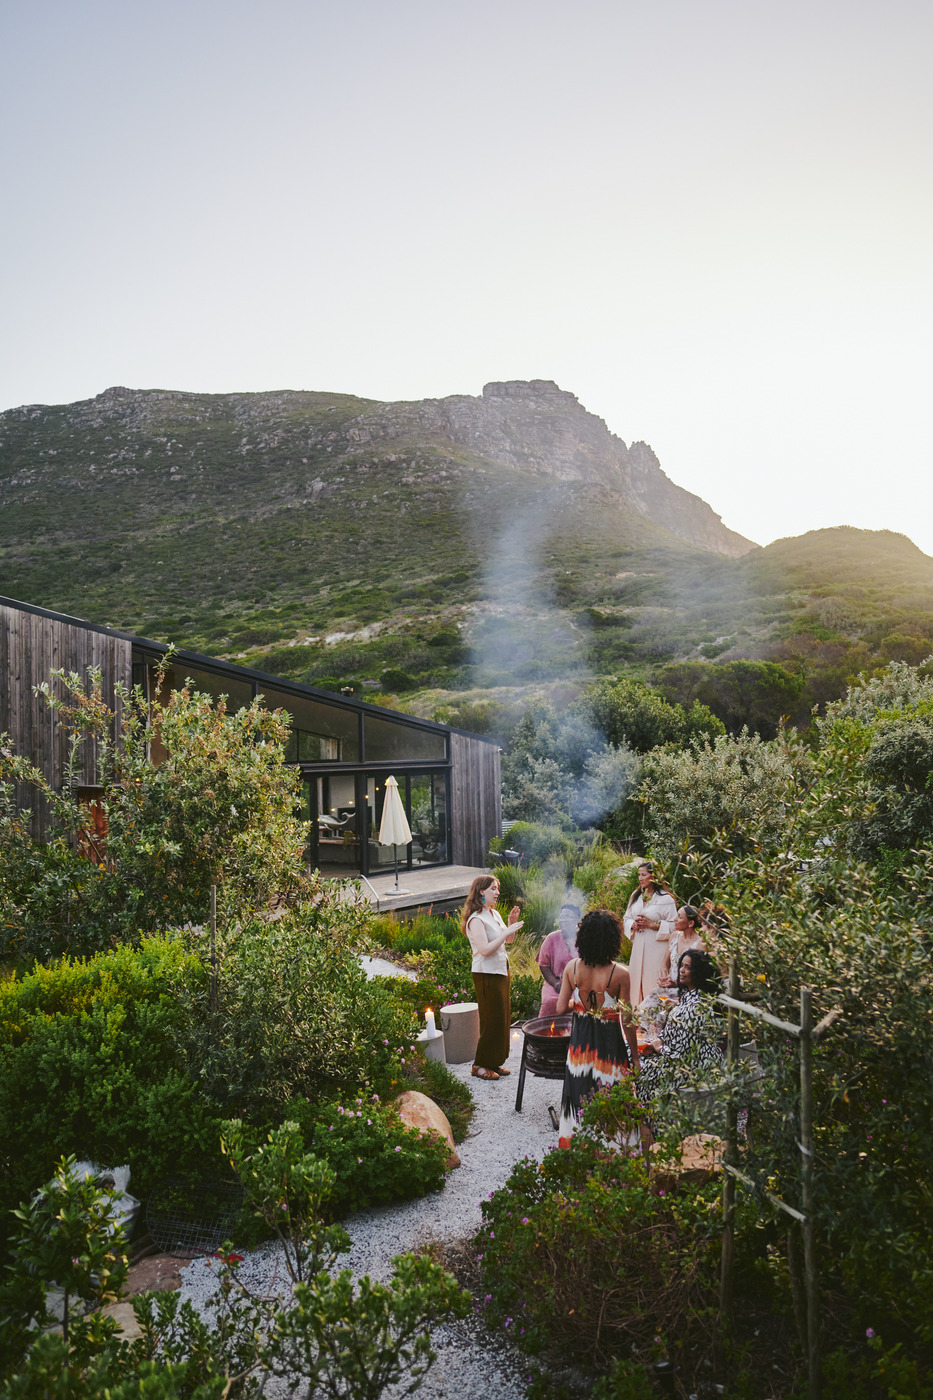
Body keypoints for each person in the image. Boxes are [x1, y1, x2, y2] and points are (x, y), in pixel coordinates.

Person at [555, 909, 641, 1147]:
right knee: (613, 1100)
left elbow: (561, 1008)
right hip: (610, 1052)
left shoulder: (572, 968)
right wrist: (634, 1057)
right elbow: (628, 1021)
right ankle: (615, 1152)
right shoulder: (620, 974)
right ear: (613, 939)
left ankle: (578, 1151)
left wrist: (580, 1005)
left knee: (579, 1098)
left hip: (578, 1052)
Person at [637, 948, 725, 1124]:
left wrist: (659, 1046)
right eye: (681, 966)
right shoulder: (688, 998)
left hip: (693, 1067)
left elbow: (684, 1055)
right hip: (679, 1058)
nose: (682, 970)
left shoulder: (697, 1005)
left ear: (699, 972)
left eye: (688, 967)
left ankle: (651, 1127)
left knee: (639, 1072)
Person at [462, 874, 523, 1082]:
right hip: (485, 973)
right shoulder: (476, 919)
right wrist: (506, 932)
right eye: (493, 889)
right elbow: (485, 950)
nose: (497, 892)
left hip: (500, 971)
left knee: (502, 1018)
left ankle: (494, 1061)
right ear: (481, 891)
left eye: (497, 888)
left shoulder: (494, 914)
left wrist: (510, 923)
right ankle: (479, 1065)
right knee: (491, 1020)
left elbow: (509, 941)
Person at [623, 862, 678, 1004]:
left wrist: (653, 925)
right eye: (639, 875)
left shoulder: (666, 899)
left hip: (656, 949)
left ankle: (653, 1020)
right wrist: (632, 925)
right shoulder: (636, 896)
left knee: (653, 982)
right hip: (638, 946)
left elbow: (675, 926)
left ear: (653, 876)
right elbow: (626, 918)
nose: (640, 878)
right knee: (636, 983)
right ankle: (637, 1018)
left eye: (644, 875)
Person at [536, 903, 581, 1017]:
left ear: (577, 919)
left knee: (580, 1003)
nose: (563, 920)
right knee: (549, 1002)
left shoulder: (584, 938)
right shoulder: (552, 938)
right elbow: (543, 965)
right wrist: (555, 983)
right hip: (555, 985)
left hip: (579, 987)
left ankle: (575, 1032)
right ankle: (545, 1031)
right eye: (561, 917)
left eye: (568, 917)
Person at [661, 905, 707, 991]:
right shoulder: (674, 936)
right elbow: (664, 963)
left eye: (679, 917)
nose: (675, 920)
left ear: (690, 923)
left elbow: (699, 974)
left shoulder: (700, 944)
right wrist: (665, 978)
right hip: (669, 986)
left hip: (688, 990)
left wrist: (677, 984)